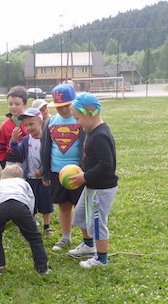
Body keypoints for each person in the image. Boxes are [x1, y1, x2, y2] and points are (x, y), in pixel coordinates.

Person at [66, 93, 119, 268]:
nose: (77, 123)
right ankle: (88, 246)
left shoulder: (100, 136)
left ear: (90, 114)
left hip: (101, 189)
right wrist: (82, 171)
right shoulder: (90, 131)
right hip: (91, 185)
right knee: (80, 215)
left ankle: (101, 259)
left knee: (97, 223)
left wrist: (85, 176)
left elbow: (106, 165)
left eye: (77, 118)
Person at [0, 165, 50, 276]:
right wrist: (29, 218)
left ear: (2, 177)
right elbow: (31, 201)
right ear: (21, 177)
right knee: (34, 237)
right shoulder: (24, 183)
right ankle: (42, 268)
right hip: (20, 206)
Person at [40, 83, 84, 251]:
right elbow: (45, 148)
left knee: (81, 207)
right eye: (59, 106)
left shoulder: (80, 121)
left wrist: (84, 170)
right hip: (56, 172)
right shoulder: (50, 122)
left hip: (78, 173)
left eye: (67, 105)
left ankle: (87, 241)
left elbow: (86, 147)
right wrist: (45, 173)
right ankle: (66, 237)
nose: (64, 109)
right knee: (64, 205)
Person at [9, 108, 53, 235]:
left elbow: (50, 158)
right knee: (31, 202)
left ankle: (47, 226)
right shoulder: (26, 140)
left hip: (44, 179)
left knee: (46, 202)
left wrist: (43, 171)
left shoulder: (47, 139)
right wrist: (14, 141)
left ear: (40, 122)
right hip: (29, 178)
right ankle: (32, 224)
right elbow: (18, 154)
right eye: (26, 125)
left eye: (31, 124)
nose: (28, 127)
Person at [0, 85, 28, 168]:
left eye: (17, 104)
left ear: (25, 104)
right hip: (10, 160)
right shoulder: (4, 125)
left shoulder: (29, 122)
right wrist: (2, 161)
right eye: (10, 104)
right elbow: (1, 146)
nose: (13, 107)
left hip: (27, 158)